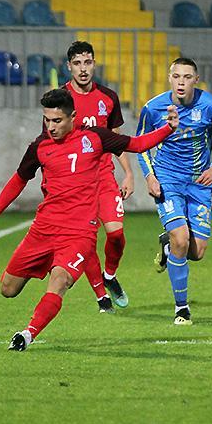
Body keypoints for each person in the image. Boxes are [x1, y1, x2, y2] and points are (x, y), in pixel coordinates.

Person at [0, 88, 179, 351]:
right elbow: (19, 179)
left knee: (60, 281)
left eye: (57, 120)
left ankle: (27, 334)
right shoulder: (39, 146)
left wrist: (168, 129)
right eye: (47, 120)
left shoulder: (95, 138)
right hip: (43, 229)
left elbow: (136, 145)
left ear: (73, 117)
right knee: (7, 289)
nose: (51, 127)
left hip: (79, 234)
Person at [136, 57, 212, 325]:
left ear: (196, 79)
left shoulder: (211, 105)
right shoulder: (153, 108)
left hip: (199, 183)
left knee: (196, 252)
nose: (181, 82)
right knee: (181, 239)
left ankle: (168, 246)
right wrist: (149, 176)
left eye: (187, 77)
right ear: (170, 78)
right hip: (168, 179)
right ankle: (182, 308)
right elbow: (141, 145)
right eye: (177, 76)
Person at [62, 40, 134, 314]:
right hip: (75, 183)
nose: (83, 69)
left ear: (94, 64)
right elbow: (51, 142)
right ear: (69, 67)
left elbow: (116, 139)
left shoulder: (108, 97)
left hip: (104, 177)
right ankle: (102, 297)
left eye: (87, 62)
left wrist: (128, 173)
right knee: (86, 240)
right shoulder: (60, 99)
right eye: (77, 63)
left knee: (116, 235)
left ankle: (110, 275)